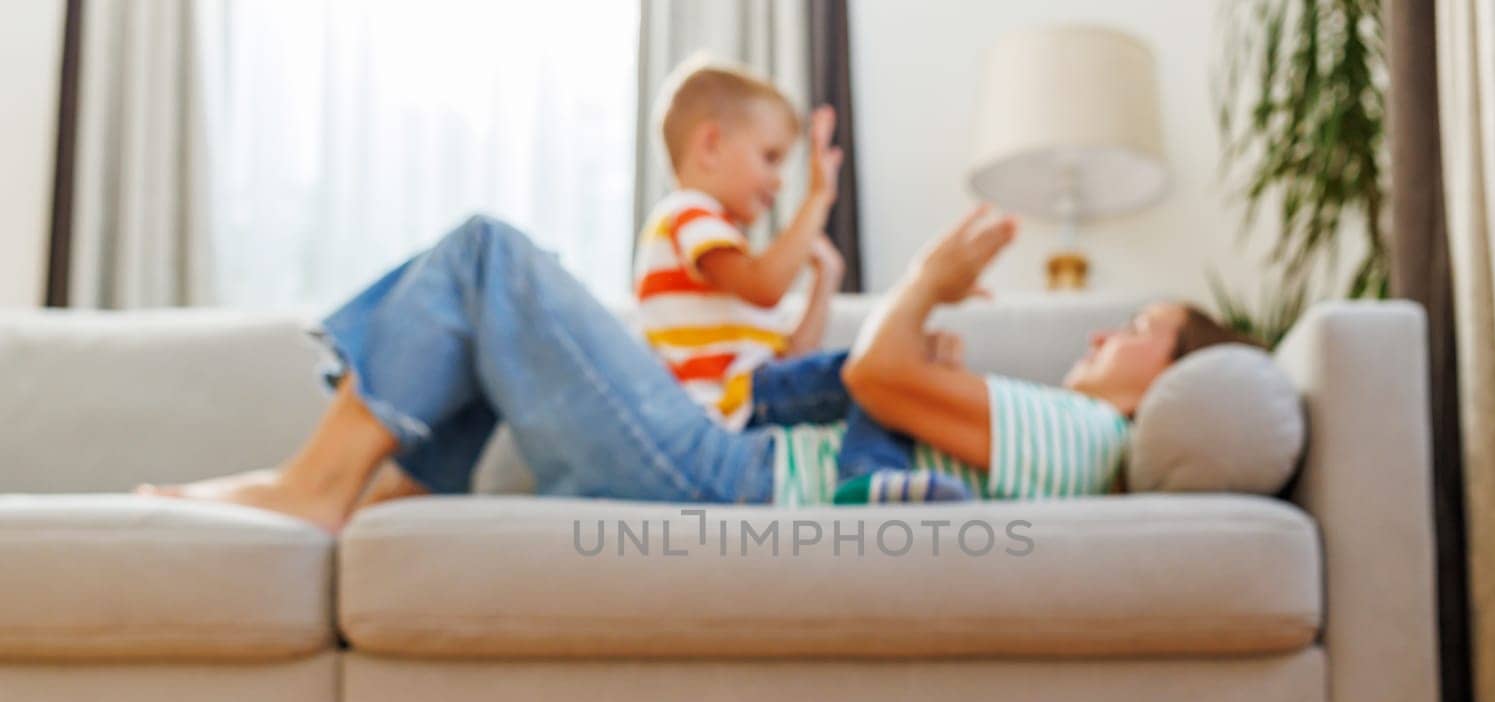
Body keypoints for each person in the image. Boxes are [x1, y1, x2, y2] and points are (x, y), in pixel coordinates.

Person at [136, 206, 1249, 531]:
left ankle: (318, 488)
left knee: (488, 257)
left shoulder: (1088, 431)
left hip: (725, 481)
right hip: (735, 468)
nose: (1108, 333)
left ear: (1171, 379)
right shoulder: (1064, 429)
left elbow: (869, 379)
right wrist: (920, 344)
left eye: (1139, 325)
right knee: (489, 300)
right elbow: (885, 390)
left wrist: (925, 275)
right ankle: (384, 492)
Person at [636, 57, 969, 504]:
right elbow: (767, 287)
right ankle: (867, 474)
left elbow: (794, 355)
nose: (777, 182)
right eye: (770, 158)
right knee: (874, 371)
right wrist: (817, 199)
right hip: (727, 403)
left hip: (751, 395)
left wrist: (824, 280)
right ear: (710, 145)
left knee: (881, 372)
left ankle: (872, 473)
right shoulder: (687, 213)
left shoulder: (720, 247)